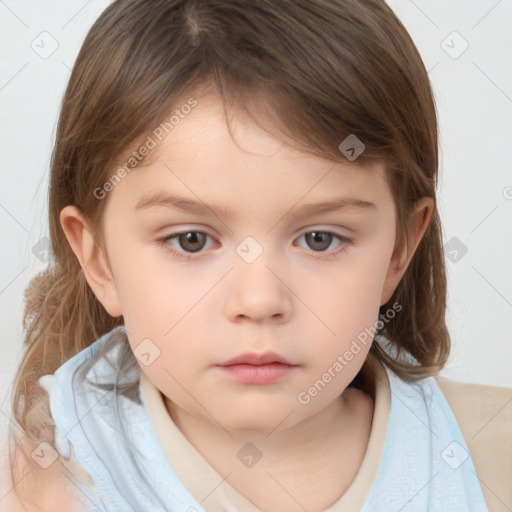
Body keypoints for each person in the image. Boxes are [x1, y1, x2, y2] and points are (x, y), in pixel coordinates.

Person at [2, 0, 511, 510]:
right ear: (99, 262)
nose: (259, 299)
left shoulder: (491, 453)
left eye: (320, 239)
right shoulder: (46, 485)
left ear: (399, 249)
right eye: (191, 240)